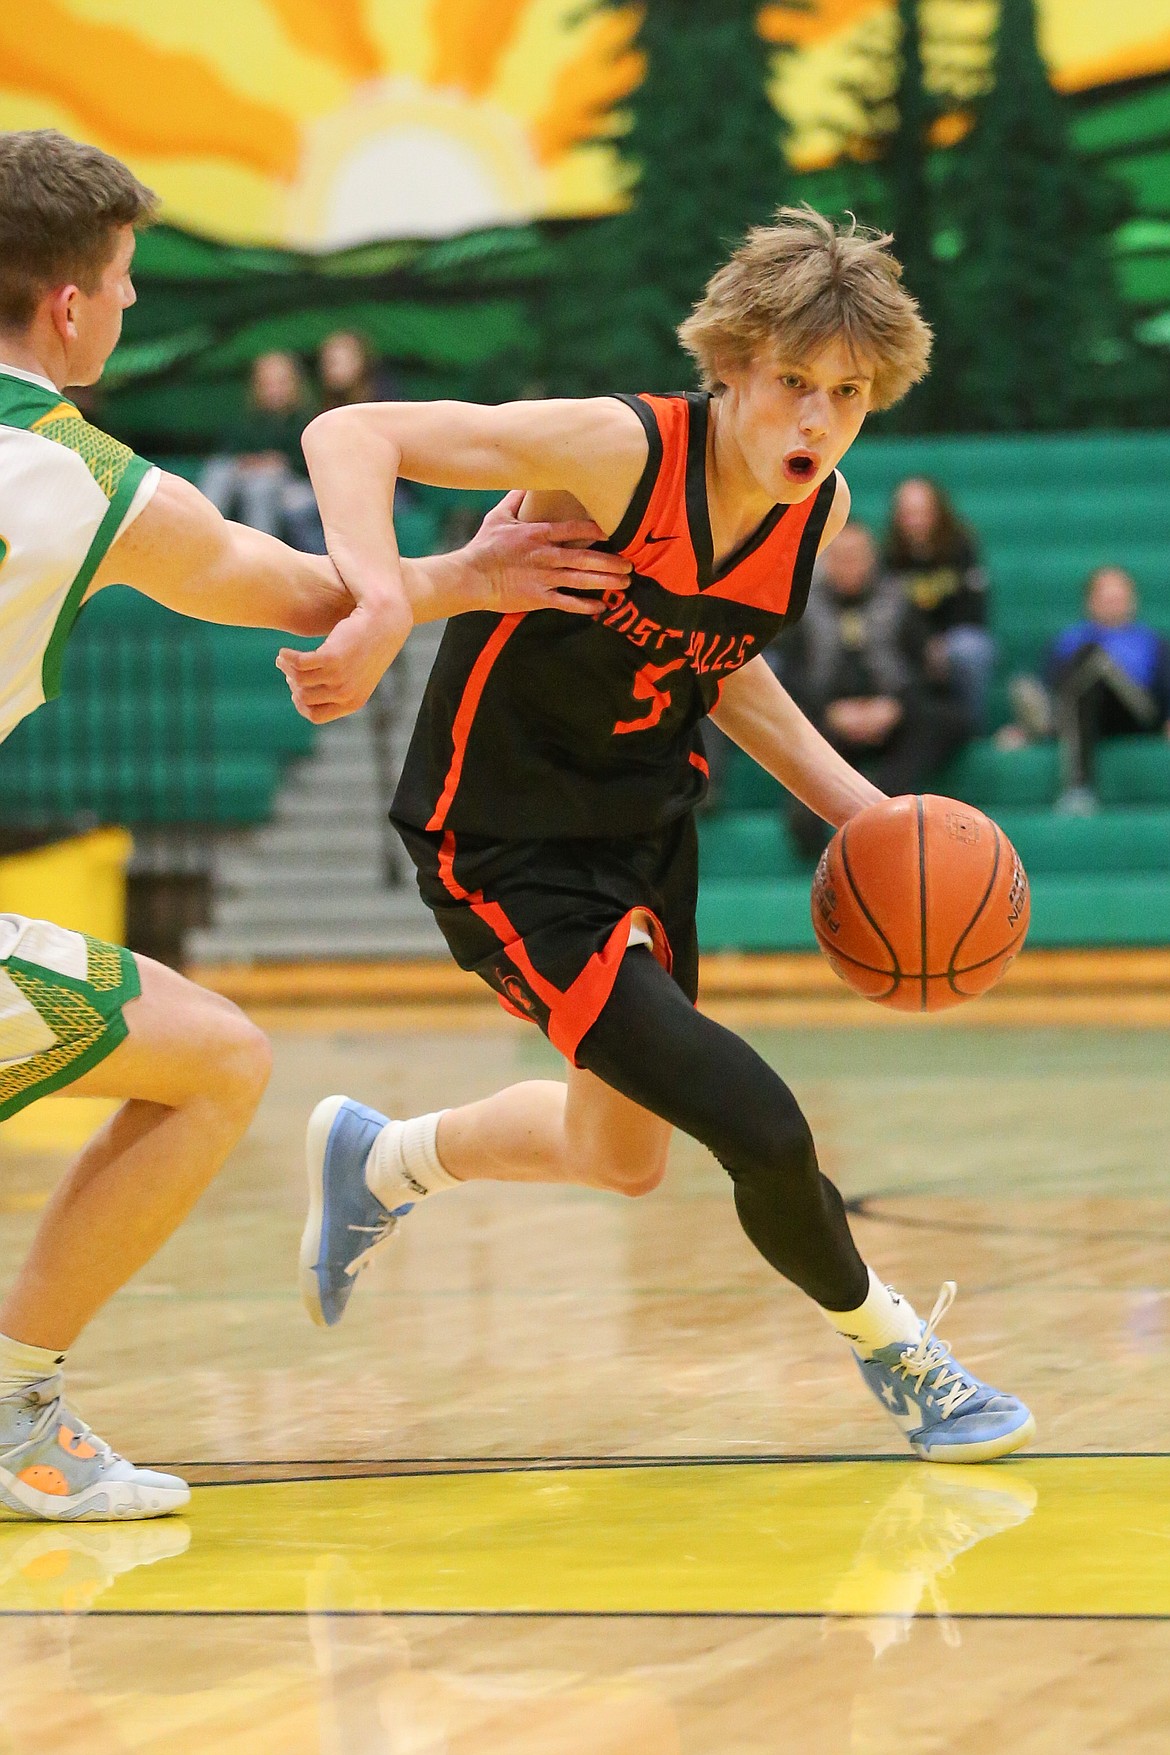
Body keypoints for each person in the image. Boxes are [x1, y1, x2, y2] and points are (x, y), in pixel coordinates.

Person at [289, 208, 1036, 1464]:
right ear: (733, 363)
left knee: (620, 1153)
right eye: (792, 384)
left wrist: (862, 810)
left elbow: (720, 665)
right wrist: (385, 597)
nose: (814, 420)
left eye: (846, 395)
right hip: (506, 846)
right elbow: (350, 430)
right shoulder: (620, 452)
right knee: (759, 1121)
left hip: (644, 828)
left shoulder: (820, 505)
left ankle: (383, 1160)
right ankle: (902, 1354)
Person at [0, 127, 633, 1520]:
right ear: (65, 305)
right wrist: (464, 571)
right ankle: (13, 1409)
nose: (132, 304)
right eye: (120, 280)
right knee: (217, 1065)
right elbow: (294, 588)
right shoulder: (81, 477)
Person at [777, 520, 969, 859]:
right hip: (828, 722)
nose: (848, 565)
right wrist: (830, 712)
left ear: (872, 559)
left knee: (947, 719)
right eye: (839, 557)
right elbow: (790, 676)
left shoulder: (899, 601)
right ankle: (809, 818)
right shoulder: (801, 606)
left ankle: (887, 800)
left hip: (893, 716)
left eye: (857, 556)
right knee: (794, 729)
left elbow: (924, 668)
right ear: (824, 561)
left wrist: (895, 706)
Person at [1001, 566, 1170, 813]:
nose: (1113, 604)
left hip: (1134, 713)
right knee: (1078, 673)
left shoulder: (1151, 642)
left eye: (1119, 597)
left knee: (1092, 659)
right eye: (1106, 597)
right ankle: (1077, 786)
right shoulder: (1068, 640)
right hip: (1084, 712)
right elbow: (1050, 683)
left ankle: (1050, 724)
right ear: (1090, 601)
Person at [884, 475, 994, 731]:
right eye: (908, 513)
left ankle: (969, 730)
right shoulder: (889, 555)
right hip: (908, 641)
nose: (916, 521)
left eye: (922, 512)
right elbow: (886, 613)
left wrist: (939, 644)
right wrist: (923, 643)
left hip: (952, 637)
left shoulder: (962, 546)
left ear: (938, 513)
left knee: (970, 649)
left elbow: (975, 608)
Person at [199, 349, 325, 553]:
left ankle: (259, 555)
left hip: (297, 486)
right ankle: (201, 539)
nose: (274, 390)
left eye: (281, 382)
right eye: (267, 383)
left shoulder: (309, 419)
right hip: (249, 479)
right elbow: (231, 453)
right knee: (219, 470)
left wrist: (280, 463)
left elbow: (312, 466)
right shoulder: (248, 419)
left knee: (262, 485)